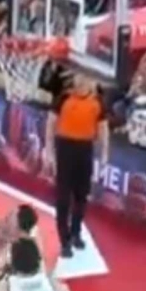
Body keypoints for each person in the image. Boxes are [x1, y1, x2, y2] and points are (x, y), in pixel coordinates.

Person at [45, 70, 109, 258]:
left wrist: (104, 154)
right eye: (78, 77)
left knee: (82, 195)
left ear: (92, 81)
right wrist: (49, 151)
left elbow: (103, 130)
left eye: (85, 78)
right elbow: (50, 125)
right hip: (65, 148)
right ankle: (64, 240)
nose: (81, 81)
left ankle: (75, 232)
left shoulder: (97, 102)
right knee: (63, 197)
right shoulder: (63, 98)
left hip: (85, 149)